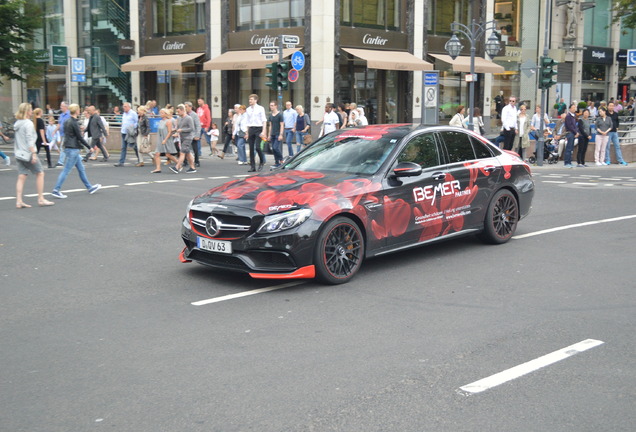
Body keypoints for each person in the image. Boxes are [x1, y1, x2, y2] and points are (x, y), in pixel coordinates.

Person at [51, 103, 101, 198]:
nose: (80, 111)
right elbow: (79, 137)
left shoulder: (67, 121)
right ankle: (56, 189)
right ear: (77, 111)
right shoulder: (74, 122)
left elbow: (68, 134)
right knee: (66, 170)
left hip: (69, 147)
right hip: (73, 148)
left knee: (81, 169)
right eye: (79, 109)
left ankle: (89, 187)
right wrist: (89, 146)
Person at [13, 103, 54, 208]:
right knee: (40, 173)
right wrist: (34, 154)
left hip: (18, 153)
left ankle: (19, 201)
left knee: (21, 176)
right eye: (30, 110)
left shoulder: (17, 123)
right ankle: (40, 198)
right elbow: (29, 140)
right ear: (27, 112)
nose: (32, 112)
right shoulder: (28, 123)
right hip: (28, 153)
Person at [169, 104, 197, 174]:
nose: (177, 113)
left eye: (178, 111)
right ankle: (192, 167)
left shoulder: (188, 118)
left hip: (188, 137)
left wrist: (182, 130)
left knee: (182, 152)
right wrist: (175, 130)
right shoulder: (179, 118)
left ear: (182, 110)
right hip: (182, 137)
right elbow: (179, 128)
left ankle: (177, 167)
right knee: (187, 153)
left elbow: (191, 128)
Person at [244, 94, 267, 172]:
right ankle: (252, 166)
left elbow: (264, 120)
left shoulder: (260, 108)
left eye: (251, 99)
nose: (250, 101)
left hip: (259, 128)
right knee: (251, 148)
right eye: (249, 99)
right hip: (251, 128)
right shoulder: (248, 109)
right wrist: (246, 131)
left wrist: (263, 131)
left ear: (255, 100)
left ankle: (261, 161)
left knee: (257, 147)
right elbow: (247, 121)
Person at [152, 108, 179, 173]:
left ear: (166, 114)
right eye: (160, 113)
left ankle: (179, 164)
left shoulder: (168, 121)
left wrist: (165, 140)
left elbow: (169, 132)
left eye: (162, 113)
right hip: (160, 139)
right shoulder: (161, 121)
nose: (160, 114)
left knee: (168, 155)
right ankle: (158, 168)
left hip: (166, 139)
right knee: (157, 154)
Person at [114, 102, 139, 167]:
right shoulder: (124, 114)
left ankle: (140, 159)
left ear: (129, 107)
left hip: (130, 133)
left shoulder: (133, 113)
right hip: (124, 132)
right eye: (123, 106)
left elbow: (137, 122)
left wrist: (133, 126)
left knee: (134, 146)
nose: (123, 107)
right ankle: (121, 162)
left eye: (125, 106)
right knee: (123, 147)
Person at [266, 101, 284, 166]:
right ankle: (277, 162)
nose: (271, 107)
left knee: (275, 147)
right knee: (273, 148)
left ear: (276, 106)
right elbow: (270, 126)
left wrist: (281, 134)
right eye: (270, 105)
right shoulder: (270, 116)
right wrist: (269, 135)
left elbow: (282, 125)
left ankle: (281, 159)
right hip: (272, 134)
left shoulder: (280, 115)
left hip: (278, 134)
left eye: (272, 105)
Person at [185, 101, 202, 167]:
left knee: (195, 148)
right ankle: (185, 161)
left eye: (186, 107)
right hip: (185, 134)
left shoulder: (194, 115)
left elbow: (198, 125)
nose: (185, 108)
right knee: (185, 148)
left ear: (190, 107)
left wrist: (197, 135)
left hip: (193, 134)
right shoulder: (184, 114)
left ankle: (197, 161)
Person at [563, 103, 579, 168]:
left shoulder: (574, 116)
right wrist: (575, 132)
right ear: (570, 108)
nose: (574, 109)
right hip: (570, 133)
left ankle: (569, 162)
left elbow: (575, 125)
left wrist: (576, 132)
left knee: (571, 148)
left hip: (573, 133)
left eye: (575, 107)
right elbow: (570, 126)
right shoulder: (568, 116)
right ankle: (566, 162)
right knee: (568, 148)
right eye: (573, 107)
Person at [55, 101, 71, 166]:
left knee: (63, 147)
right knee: (69, 148)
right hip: (62, 133)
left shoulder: (69, 114)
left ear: (66, 107)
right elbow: (59, 124)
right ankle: (79, 159)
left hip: (67, 134)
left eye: (62, 106)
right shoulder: (61, 115)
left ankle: (61, 161)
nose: (60, 107)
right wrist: (55, 130)